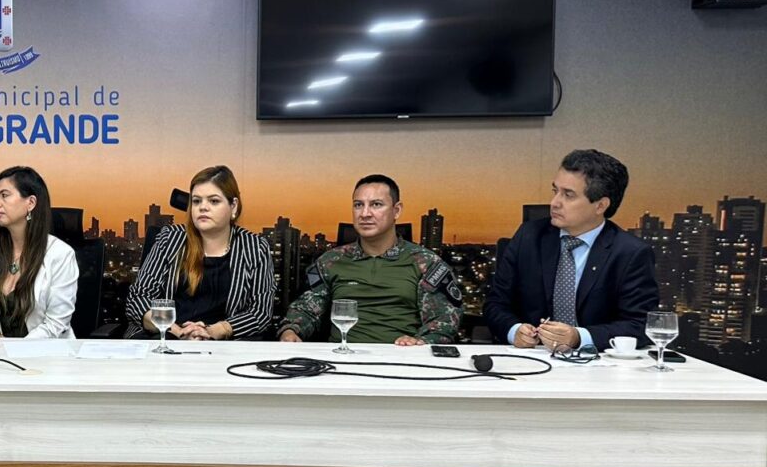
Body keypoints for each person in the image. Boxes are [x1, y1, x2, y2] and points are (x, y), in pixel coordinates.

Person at [483, 149, 659, 352]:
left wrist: (579, 337)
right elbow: (495, 304)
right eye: (555, 191)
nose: (554, 203)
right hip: (532, 358)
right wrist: (514, 331)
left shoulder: (630, 253)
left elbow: (639, 324)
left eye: (568, 195)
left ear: (600, 205)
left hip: (598, 364)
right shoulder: (528, 236)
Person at [279, 175, 462, 345]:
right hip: (339, 358)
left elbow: (443, 321)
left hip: (402, 357)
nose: (365, 213)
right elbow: (306, 308)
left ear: (396, 210)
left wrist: (421, 342)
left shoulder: (426, 262)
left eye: (376, 204)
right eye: (358, 205)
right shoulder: (330, 261)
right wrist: (290, 330)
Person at [125, 165, 275, 340]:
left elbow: (261, 312)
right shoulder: (170, 239)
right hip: (165, 338)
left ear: (233, 206)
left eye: (214, 201)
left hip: (224, 344)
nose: (203, 207)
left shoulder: (255, 247)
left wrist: (215, 331)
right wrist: (177, 331)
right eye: (196, 201)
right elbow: (138, 297)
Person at [0, 166, 79, 338]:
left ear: (31, 203)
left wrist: (16, 350)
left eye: (4, 195)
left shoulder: (60, 254)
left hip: (43, 350)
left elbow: (56, 323)